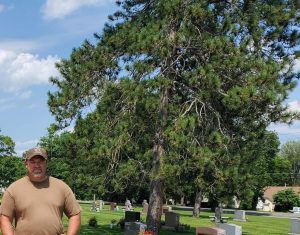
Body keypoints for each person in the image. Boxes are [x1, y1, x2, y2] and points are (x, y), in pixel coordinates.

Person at [0, 147, 81, 235]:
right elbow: (5, 218)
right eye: (32, 162)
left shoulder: (61, 187)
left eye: (41, 161)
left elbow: (75, 214)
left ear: (46, 163)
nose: (37, 165)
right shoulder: (13, 189)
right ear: (26, 163)